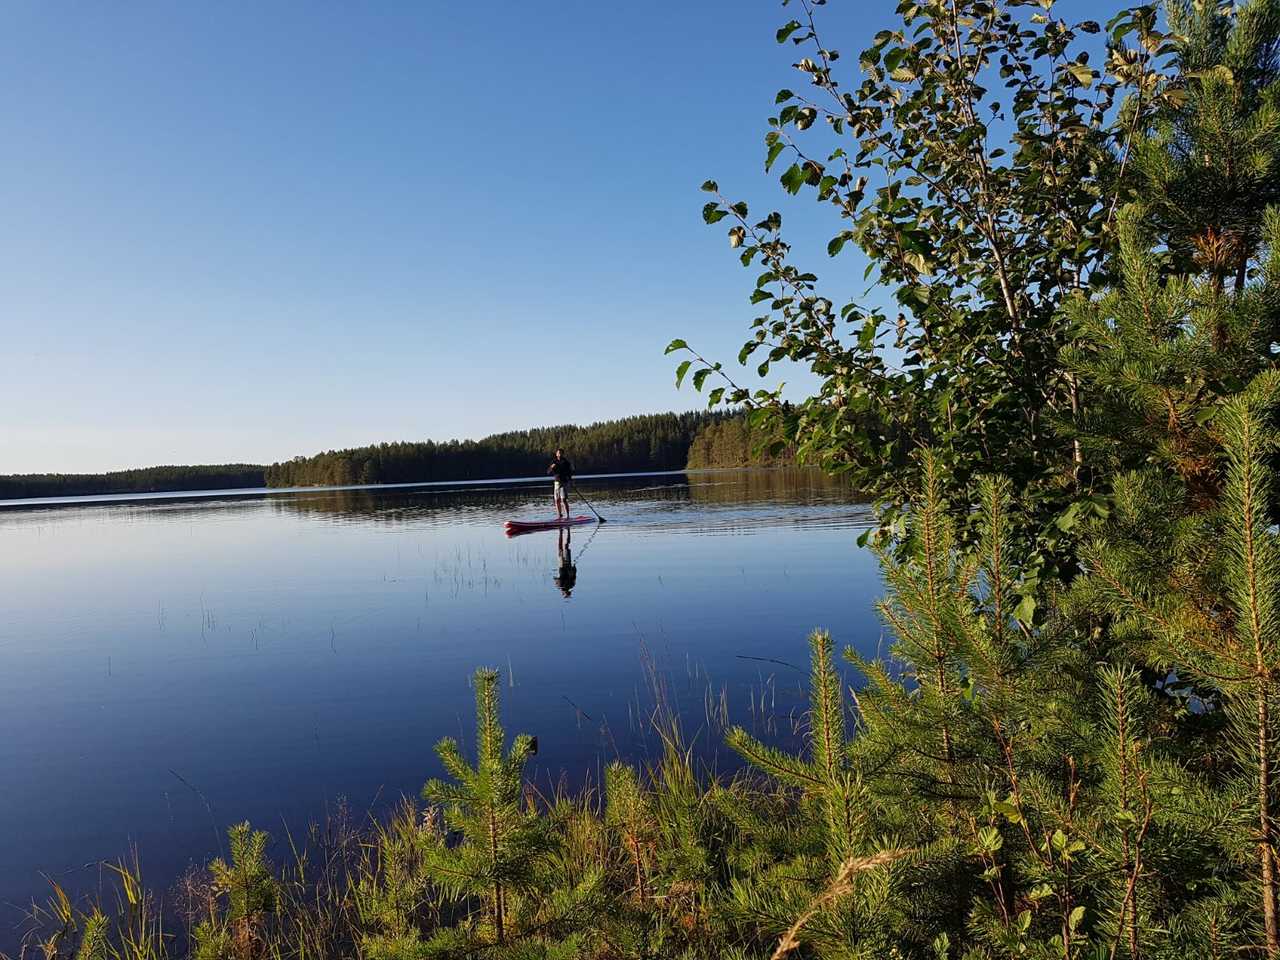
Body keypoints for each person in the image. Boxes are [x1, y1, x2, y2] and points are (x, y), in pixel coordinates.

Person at [547, 448, 574, 519]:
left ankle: (568, 516)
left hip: (564, 482)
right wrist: (551, 467)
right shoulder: (553, 462)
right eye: (558, 453)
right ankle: (559, 515)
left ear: (563, 454)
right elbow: (548, 472)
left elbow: (570, 473)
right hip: (556, 483)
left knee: (563, 499)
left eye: (561, 453)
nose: (559, 454)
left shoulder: (566, 462)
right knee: (557, 500)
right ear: (556, 454)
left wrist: (570, 481)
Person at [553, 527, 577, 598]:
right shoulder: (564, 585)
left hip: (565, 565)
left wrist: (574, 567)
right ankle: (563, 531)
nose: (563, 592)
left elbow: (574, 574)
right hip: (564, 565)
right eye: (564, 593)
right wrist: (574, 567)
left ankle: (565, 531)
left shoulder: (571, 585)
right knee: (562, 548)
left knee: (564, 547)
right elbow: (555, 579)